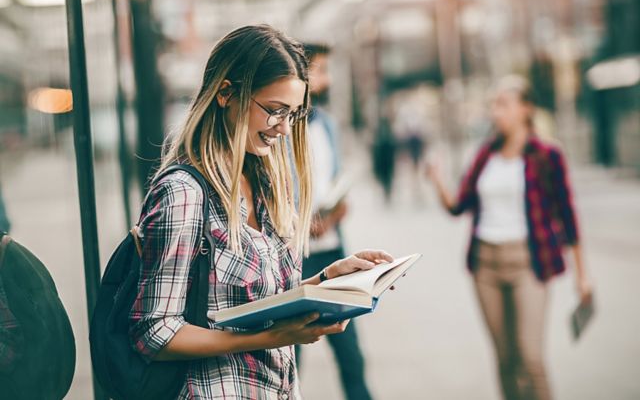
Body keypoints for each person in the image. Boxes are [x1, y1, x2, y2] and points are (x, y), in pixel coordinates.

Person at [129, 25, 393, 399]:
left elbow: (256, 301)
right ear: (226, 94)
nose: (284, 129)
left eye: (293, 114)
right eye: (274, 111)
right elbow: (153, 331)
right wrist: (270, 338)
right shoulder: (182, 193)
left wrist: (328, 280)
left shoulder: (264, 182)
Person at [427, 75, 592, 400]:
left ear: (525, 109)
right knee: (505, 360)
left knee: (530, 358)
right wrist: (437, 179)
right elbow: (458, 206)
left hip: (529, 263)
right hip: (485, 265)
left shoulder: (547, 154)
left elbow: (568, 217)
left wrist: (582, 277)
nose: (495, 112)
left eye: (503, 104)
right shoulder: (486, 153)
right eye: (493, 105)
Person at [295, 43, 373, 400]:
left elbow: (336, 181)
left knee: (351, 355)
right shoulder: (280, 130)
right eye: (321, 69)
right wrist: (299, 222)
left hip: (332, 251)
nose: (326, 78)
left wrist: (339, 211)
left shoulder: (326, 124)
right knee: (289, 360)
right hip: (295, 258)